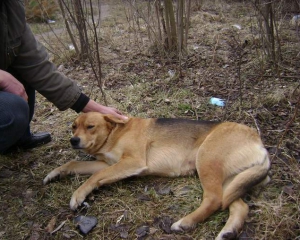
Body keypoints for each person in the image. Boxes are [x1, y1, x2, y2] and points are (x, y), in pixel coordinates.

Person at [0, 0, 127, 154]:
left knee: (21, 72)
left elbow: (37, 67)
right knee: (12, 111)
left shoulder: (11, 8)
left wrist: (99, 109)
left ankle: (18, 137)